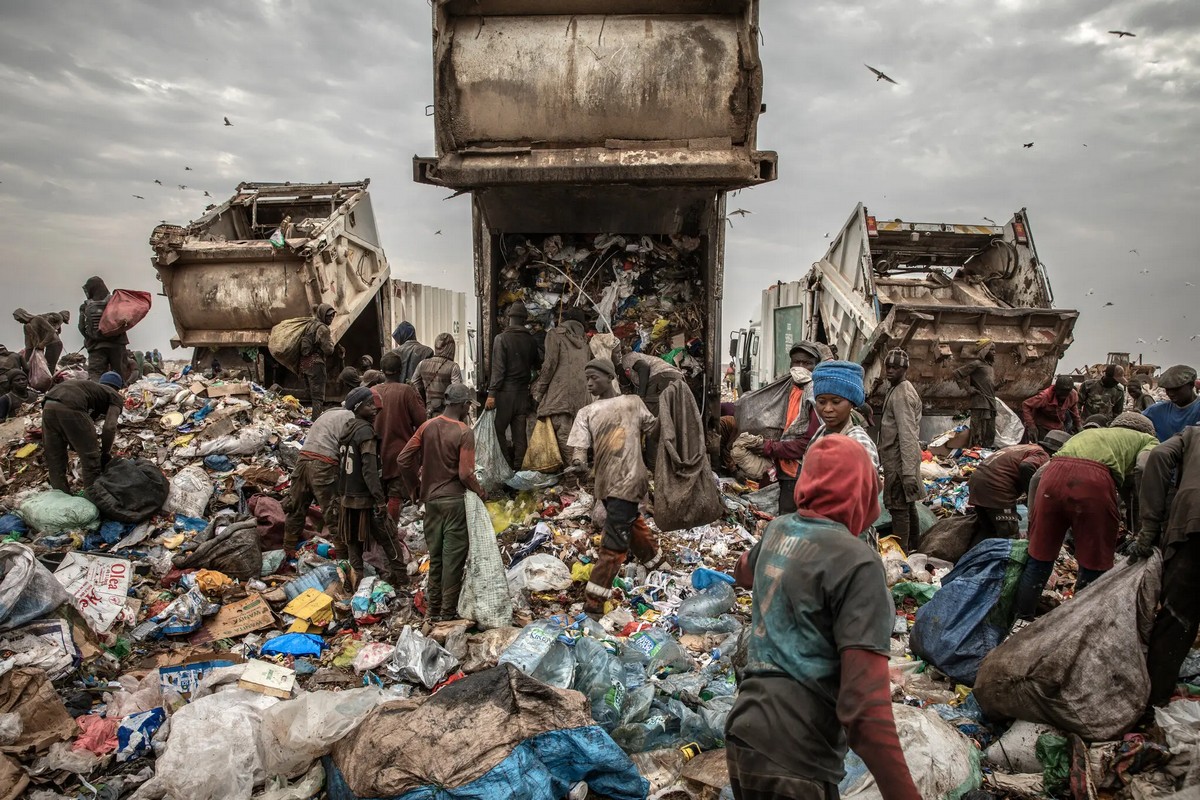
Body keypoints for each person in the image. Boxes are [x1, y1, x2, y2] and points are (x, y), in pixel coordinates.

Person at [725, 436, 921, 800]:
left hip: (744, 733)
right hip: (796, 750)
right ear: (862, 490)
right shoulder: (858, 563)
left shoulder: (779, 529)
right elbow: (864, 708)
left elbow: (743, 571)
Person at [1012, 412, 1160, 628]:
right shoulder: (1148, 440)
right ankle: (1077, 625)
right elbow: (1143, 466)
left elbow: (1036, 477)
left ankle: (1021, 621)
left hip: (1051, 480)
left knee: (1039, 558)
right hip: (1093, 483)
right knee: (1093, 563)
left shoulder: (1087, 436)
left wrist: (1035, 521)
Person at [568, 358, 667, 617]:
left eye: (594, 377)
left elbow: (654, 429)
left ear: (610, 377)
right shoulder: (586, 412)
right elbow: (579, 449)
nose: (589, 382)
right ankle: (656, 563)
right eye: (587, 378)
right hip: (606, 483)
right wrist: (578, 464)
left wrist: (669, 410)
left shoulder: (632, 403)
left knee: (613, 545)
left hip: (630, 477)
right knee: (630, 521)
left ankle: (593, 603)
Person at [397, 383, 487, 621]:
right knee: (453, 560)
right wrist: (481, 492)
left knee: (436, 559)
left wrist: (414, 489)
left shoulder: (427, 427)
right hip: (454, 503)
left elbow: (404, 459)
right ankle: (447, 612)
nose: (469, 407)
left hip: (432, 504)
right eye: (468, 403)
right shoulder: (464, 431)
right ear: (462, 404)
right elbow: (465, 474)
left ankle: (433, 610)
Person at [1131, 426, 1200, 706]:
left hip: (1193, 523)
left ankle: (1152, 702)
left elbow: (1156, 456)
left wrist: (1149, 526)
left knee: (1176, 617)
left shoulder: (1193, 433)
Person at [336, 387, 407, 588]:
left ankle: (355, 582)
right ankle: (402, 580)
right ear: (358, 408)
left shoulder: (347, 429)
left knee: (353, 543)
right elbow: (369, 471)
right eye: (368, 405)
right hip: (365, 498)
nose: (374, 408)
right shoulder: (365, 432)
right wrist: (379, 500)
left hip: (347, 497)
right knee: (389, 537)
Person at [754, 342, 824, 515]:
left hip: (800, 472)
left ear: (816, 365)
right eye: (797, 362)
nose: (801, 367)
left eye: (807, 363)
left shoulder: (815, 394)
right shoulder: (789, 389)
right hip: (784, 468)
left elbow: (809, 442)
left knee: (792, 519)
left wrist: (770, 447)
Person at [283, 401, 355, 553]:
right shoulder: (351, 418)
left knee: (296, 506)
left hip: (302, 460)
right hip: (324, 463)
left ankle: (288, 550)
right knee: (333, 512)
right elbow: (348, 453)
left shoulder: (327, 414)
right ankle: (344, 558)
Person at [968, 430, 1070, 538]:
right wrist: (1031, 494)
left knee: (988, 529)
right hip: (996, 490)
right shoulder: (1043, 455)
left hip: (977, 482)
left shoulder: (1027, 447)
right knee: (1009, 532)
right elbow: (1026, 466)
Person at [42, 372, 123, 492]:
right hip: (71, 404)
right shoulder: (114, 395)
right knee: (91, 459)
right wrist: (105, 453)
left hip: (48, 405)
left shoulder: (91, 389)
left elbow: (89, 419)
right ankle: (93, 498)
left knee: (55, 459)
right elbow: (110, 427)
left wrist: (75, 441)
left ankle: (61, 496)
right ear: (118, 388)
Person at [374, 351, 427, 525]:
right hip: (400, 453)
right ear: (400, 370)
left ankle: (381, 533)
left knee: (379, 497)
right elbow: (422, 421)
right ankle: (391, 533)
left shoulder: (372, 391)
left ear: (382, 370)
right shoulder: (406, 391)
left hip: (376, 454)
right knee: (395, 496)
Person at [485, 303, 540, 470]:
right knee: (519, 434)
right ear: (524, 320)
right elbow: (537, 365)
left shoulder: (501, 339)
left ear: (509, 318)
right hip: (522, 393)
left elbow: (498, 370)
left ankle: (506, 466)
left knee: (498, 430)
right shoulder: (530, 340)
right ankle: (519, 468)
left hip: (504, 393)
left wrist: (492, 394)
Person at [531, 308, 590, 458]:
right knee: (578, 432)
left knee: (563, 431)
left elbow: (550, 364)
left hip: (560, 391)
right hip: (581, 393)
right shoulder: (584, 342)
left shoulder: (555, 335)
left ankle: (572, 472)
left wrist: (540, 389)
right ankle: (579, 467)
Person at [879, 349, 923, 551]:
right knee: (908, 504)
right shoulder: (898, 389)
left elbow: (907, 435)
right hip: (900, 462)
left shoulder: (902, 394)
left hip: (899, 462)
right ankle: (915, 547)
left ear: (904, 369)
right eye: (888, 366)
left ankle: (902, 553)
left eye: (895, 368)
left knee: (898, 508)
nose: (889, 371)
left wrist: (907, 474)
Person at [809, 360, 880, 471]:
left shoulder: (858, 443)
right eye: (822, 402)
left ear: (851, 403)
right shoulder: (821, 432)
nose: (827, 409)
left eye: (836, 402)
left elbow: (862, 486)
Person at [79, 277, 129, 380]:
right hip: (117, 344)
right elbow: (125, 321)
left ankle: (97, 395)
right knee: (120, 375)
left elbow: (81, 327)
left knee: (96, 376)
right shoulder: (114, 301)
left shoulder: (85, 306)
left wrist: (89, 339)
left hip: (96, 347)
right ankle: (119, 394)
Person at [953, 339, 997, 447]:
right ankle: (974, 454)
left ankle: (985, 454)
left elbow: (990, 388)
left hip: (990, 404)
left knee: (989, 433)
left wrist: (1000, 385)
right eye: (992, 350)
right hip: (979, 403)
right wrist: (968, 388)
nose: (994, 352)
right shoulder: (977, 364)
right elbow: (957, 373)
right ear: (985, 351)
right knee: (977, 432)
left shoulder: (989, 367)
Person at [620, 349, 685, 419]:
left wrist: (641, 396)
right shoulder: (639, 360)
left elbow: (644, 367)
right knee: (674, 415)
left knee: (650, 414)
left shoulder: (626, 358)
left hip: (662, 376)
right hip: (677, 377)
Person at [412, 332, 463, 418]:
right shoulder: (453, 367)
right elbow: (456, 392)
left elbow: (414, 387)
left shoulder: (422, 364)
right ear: (451, 348)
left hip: (427, 412)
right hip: (447, 415)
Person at [1143, 365, 1200, 442]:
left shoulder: (1197, 409)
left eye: (1176, 389)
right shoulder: (1156, 411)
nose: (1171, 393)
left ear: (1191, 385)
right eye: (1168, 389)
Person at [298, 304, 336, 418]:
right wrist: (333, 345)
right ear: (322, 315)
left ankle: (306, 416)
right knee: (318, 396)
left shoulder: (311, 325)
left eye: (333, 316)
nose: (331, 319)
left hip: (305, 362)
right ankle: (316, 421)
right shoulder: (323, 329)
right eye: (329, 316)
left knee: (309, 392)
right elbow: (328, 350)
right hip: (316, 363)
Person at [1021, 375, 1083, 441]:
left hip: (1059, 426)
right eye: (1061, 393)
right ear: (1056, 389)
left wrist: (1078, 425)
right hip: (1042, 426)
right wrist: (1031, 426)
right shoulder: (1045, 396)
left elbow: (1074, 411)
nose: (1063, 397)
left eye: (1066, 393)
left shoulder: (1073, 395)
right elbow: (1026, 405)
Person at [13, 309, 69, 373]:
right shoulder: (26, 327)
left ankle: (50, 381)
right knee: (42, 366)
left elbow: (51, 331)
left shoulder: (38, 319)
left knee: (49, 366)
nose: (20, 321)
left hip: (54, 344)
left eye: (19, 319)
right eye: (18, 320)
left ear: (23, 315)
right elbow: (29, 345)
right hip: (44, 346)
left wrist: (42, 344)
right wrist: (27, 362)